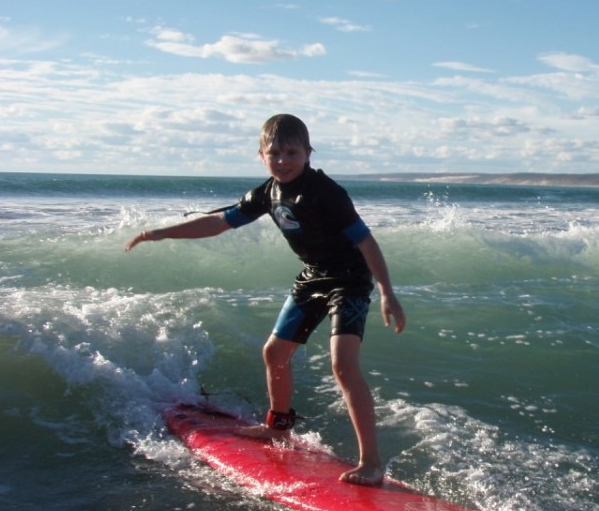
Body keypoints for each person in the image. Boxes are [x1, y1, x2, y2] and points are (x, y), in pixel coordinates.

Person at [125, 113, 405, 486]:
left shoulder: (327, 192)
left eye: (292, 153)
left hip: (349, 280)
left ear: (308, 153)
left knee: (343, 365)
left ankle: (371, 462)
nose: (283, 161)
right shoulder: (267, 193)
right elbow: (220, 222)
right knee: (274, 353)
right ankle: (278, 427)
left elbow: (366, 241)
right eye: (274, 153)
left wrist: (386, 291)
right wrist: (161, 232)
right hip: (313, 276)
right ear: (261, 155)